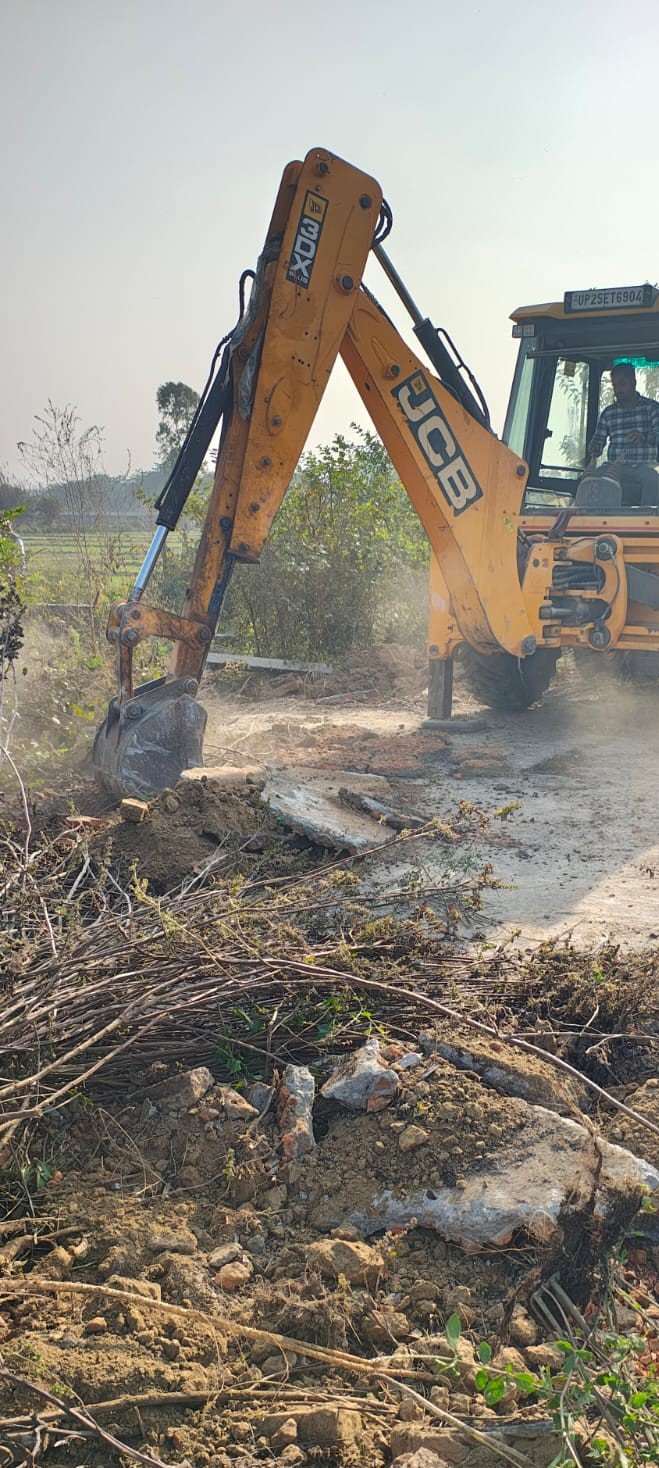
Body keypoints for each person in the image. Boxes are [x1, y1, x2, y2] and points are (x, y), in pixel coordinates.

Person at [586, 362, 659, 467]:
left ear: (633, 383)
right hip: (614, 468)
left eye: (622, 384)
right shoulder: (608, 413)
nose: (618, 390)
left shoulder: (652, 408)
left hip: (644, 468)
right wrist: (594, 447)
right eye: (615, 385)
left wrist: (644, 436)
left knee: (648, 477)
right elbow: (598, 442)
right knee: (592, 477)